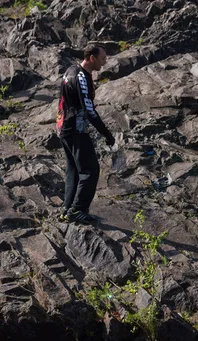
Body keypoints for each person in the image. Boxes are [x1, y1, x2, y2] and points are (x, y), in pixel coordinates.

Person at [56, 44, 115, 223]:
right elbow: (89, 109)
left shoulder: (71, 70)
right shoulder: (80, 77)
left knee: (73, 169)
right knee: (90, 170)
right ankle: (78, 210)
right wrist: (107, 134)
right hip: (75, 129)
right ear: (92, 58)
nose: (104, 63)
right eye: (102, 59)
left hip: (63, 127)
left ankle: (67, 209)